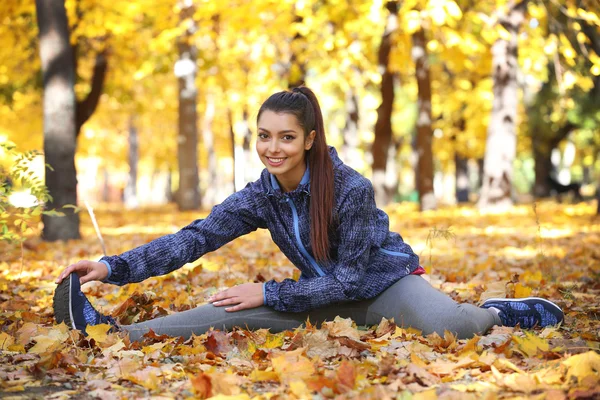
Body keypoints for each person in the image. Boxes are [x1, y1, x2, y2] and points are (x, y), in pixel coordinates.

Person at [53, 87, 564, 342]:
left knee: (456, 327)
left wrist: (270, 291)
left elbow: (351, 278)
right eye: (264, 136)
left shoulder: (351, 189)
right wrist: (111, 267)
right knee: (222, 315)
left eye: (287, 137)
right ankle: (110, 333)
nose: (273, 148)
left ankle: (501, 312)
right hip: (319, 295)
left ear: (310, 140)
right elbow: (195, 238)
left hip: (384, 283)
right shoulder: (261, 194)